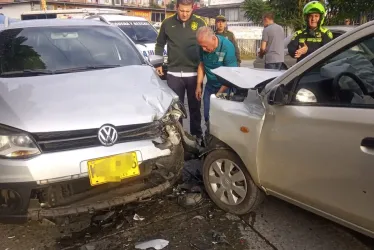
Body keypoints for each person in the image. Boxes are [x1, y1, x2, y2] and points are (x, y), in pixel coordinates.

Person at [155, 0, 207, 140]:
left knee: (195, 108)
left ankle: (197, 137)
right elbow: (159, 44)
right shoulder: (167, 23)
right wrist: (158, 63)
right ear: (177, 8)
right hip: (173, 74)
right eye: (182, 10)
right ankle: (178, 139)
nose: (185, 14)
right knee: (175, 111)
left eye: (188, 11)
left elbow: (206, 45)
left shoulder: (200, 22)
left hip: (194, 74)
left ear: (192, 9)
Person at [195, 26, 238, 124]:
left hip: (225, 87)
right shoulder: (202, 46)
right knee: (207, 115)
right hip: (210, 86)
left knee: (221, 117)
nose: (203, 49)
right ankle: (209, 136)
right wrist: (198, 85)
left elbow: (231, 73)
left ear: (213, 39)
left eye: (205, 46)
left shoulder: (227, 46)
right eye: (201, 46)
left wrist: (219, 93)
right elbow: (201, 65)